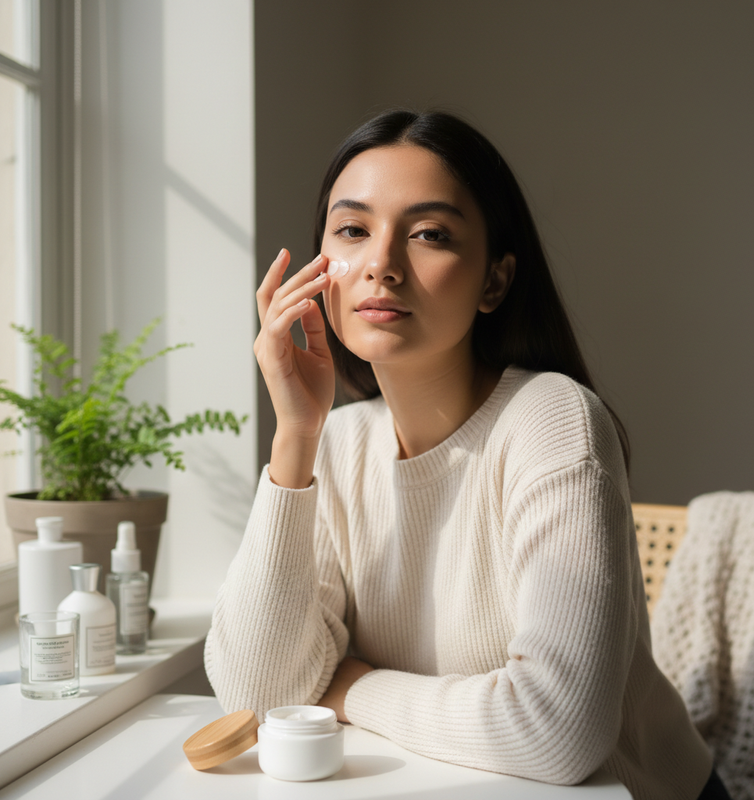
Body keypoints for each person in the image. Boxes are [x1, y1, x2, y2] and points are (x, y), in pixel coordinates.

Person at [205, 110, 727, 800]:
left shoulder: (552, 420)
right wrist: (294, 438)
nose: (382, 265)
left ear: (494, 282)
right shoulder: (334, 443)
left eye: (430, 234)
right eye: (353, 230)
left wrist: (351, 686)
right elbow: (259, 696)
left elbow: (558, 729)